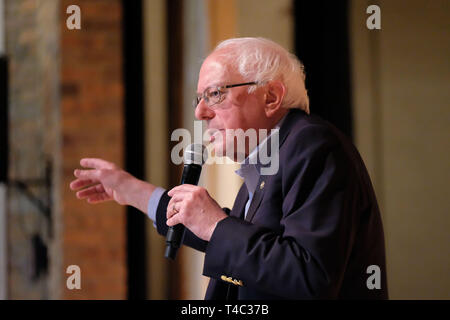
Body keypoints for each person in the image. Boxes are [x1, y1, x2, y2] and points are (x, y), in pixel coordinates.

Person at [70, 37, 388, 299]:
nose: (199, 112)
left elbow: (309, 279)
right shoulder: (272, 156)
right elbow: (250, 249)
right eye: (199, 98)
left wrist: (216, 225)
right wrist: (131, 190)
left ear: (271, 96)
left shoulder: (313, 146)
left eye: (215, 94)